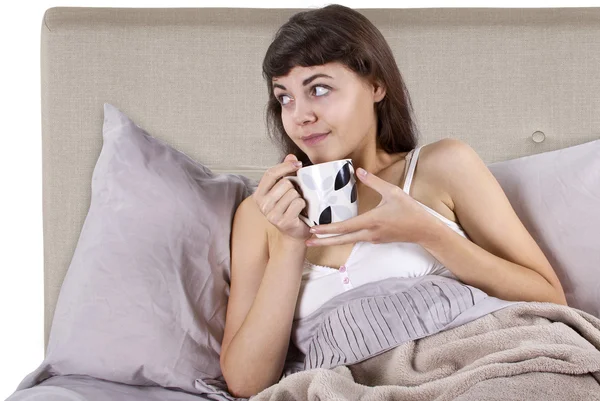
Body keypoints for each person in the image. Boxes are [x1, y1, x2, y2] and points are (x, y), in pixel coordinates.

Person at [219, 4, 567, 398]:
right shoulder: (261, 214)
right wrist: (290, 243)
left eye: (319, 89)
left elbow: (548, 297)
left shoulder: (442, 166)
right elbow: (246, 382)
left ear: (376, 86)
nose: (300, 116)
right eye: (285, 98)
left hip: (479, 369)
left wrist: (427, 232)